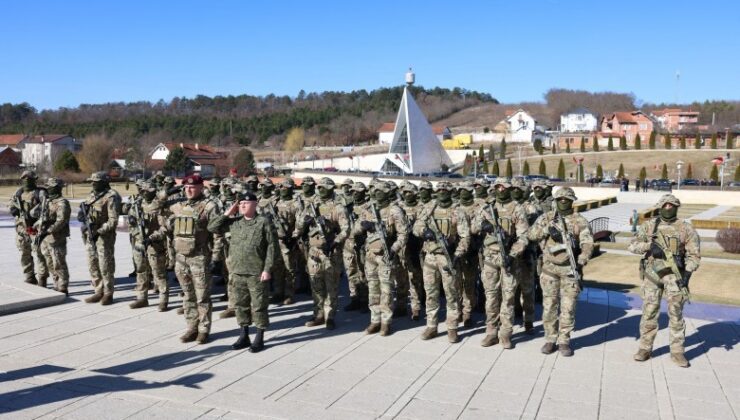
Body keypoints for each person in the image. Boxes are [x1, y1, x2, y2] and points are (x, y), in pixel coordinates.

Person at [628, 194, 700, 367]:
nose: (668, 208)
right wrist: (649, 247)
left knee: (676, 314)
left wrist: (687, 274)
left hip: (675, 278)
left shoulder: (686, 228)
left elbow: (694, 256)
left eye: (672, 205)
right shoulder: (649, 226)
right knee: (649, 312)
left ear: (677, 206)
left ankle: (677, 352)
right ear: (659, 207)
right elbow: (632, 245)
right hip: (652, 276)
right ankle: (645, 348)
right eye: (665, 205)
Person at [208, 191, 278, 352]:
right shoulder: (234, 222)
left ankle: (259, 337)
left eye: (246, 203)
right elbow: (212, 227)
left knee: (259, 306)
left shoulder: (263, 222)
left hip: (256, 272)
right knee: (240, 305)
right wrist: (228, 212)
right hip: (237, 271)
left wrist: (267, 269)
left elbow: (272, 248)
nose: (242, 205)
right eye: (240, 203)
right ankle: (244, 335)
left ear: (254, 205)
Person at [528, 187, 593, 357]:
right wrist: (547, 230)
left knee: (568, 307)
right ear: (555, 201)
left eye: (567, 199)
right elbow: (531, 235)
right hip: (549, 269)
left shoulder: (580, 221)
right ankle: (550, 339)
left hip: (570, 270)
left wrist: (581, 260)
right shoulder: (547, 218)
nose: (563, 202)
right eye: (560, 199)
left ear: (572, 201)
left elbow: (587, 244)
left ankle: (564, 340)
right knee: (549, 306)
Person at [471, 178, 529, 348]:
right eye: (498, 187)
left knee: (509, 298)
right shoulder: (486, 207)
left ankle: (505, 333)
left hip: (509, 259)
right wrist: (484, 225)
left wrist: (512, 254)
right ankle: (491, 332)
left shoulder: (517, 208)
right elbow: (473, 228)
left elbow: (524, 237)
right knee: (491, 297)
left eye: (504, 187)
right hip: (490, 258)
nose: (501, 189)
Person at [413, 181, 470, 343]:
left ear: (451, 191)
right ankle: (431, 325)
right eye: (440, 190)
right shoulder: (429, 208)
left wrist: (457, 254)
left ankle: (452, 327)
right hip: (430, 256)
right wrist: (426, 232)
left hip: (448, 258)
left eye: (445, 190)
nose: (442, 192)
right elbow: (416, 228)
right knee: (431, 293)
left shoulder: (457, 211)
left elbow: (465, 237)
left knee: (452, 294)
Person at [165, 174, 220, 344]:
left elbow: (217, 234)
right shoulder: (178, 206)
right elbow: (160, 208)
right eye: (186, 187)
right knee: (187, 295)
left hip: (199, 257)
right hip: (180, 258)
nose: (188, 189)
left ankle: (204, 330)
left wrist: (216, 258)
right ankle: (191, 327)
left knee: (202, 296)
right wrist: (169, 191)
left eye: (193, 187)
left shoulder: (209, 206)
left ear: (201, 187)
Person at [292, 177, 349, 330]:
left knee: (331, 285)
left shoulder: (338, 207)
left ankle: (330, 316)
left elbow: (346, 229)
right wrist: (305, 220)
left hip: (331, 251)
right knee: (315, 284)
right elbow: (299, 226)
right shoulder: (311, 205)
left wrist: (335, 241)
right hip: (313, 251)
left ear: (331, 189)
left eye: (324, 187)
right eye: (319, 187)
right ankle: (318, 314)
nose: (320, 189)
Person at [352, 181, 408, 336]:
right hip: (370, 255)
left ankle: (386, 322)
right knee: (373, 289)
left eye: (380, 191)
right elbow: (355, 230)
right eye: (375, 191)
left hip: (385, 256)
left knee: (386, 290)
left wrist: (394, 249)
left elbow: (403, 234)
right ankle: (374, 320)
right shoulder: (368, 209)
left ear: (386, 192)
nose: (376, 193)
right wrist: (364, 225)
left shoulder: (395, 211)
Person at [126, 181, 171, 311]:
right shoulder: (137, 205)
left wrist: (151, 238)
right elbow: (131, 225)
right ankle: (141, 298)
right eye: (144, 191)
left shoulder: (160, 206)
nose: (146, 193)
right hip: (139, 243)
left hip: (155, 244)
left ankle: (163, 300)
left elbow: (166, 227)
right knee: (141, 271)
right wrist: (137, 233)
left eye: (149, 191)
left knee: (159, 273)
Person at [79, 172, 121, 305]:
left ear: (103, 182)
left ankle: (108, 293)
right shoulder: (91, 195)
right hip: (90, 235)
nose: (93, 184)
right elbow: (86, 212)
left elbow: (113, 221)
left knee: (105, 265)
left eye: (96, 182)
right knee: (92, 263)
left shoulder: (111, 196)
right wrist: (82, 216)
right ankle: (98, 290)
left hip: (104, 237)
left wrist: (99, 231)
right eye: (92, 181)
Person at [8, 170, 47, 285]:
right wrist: (13, 209)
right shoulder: (19, 192)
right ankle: (29, 276)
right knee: (24, 254)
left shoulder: (40, 193)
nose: (26, 181)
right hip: (22, 230)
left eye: (29, 178)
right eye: (24, 178)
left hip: (36, 229)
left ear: (34, 179)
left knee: (40, 254)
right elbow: (12, 203)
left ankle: (42, 277)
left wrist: (32, 214)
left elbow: (46, 207)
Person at [34, 177, 70, 295]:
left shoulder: (62, 203)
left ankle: (63, 286)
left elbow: (61, 220)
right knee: (49, 262)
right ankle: (56, 284)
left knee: (58, 263)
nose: (48, 189)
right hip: (45, 238)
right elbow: (41, 216)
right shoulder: (47, 201)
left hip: (56, 238)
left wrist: (48, 230)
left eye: (50, 187)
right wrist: (37, 225)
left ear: (57, 188)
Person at [343, 182, 369, 313]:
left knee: (364, 273)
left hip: (363, 245)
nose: (355, 193)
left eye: (358, 191)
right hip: (348, 245)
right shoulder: (348, 208)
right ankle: (354, 298)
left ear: (364, 192)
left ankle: (365, 300)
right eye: (353, 191)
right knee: (351, 272)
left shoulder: (369, 208)